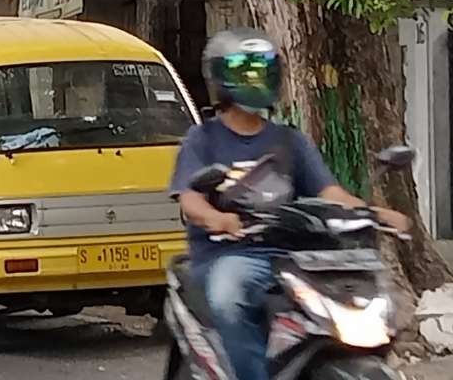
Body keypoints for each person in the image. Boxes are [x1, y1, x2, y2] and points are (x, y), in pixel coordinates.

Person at [169, 28, 410, 380]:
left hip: (291, 255)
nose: (255, 79)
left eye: (263, 70)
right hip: (229, 255)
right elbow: (189, 199)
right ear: (222, 79)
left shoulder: (289, 140)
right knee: (229, 297)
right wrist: (217, 218)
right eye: (244, 72)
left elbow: (330, 193)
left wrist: (373, 213)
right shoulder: (202, 139)